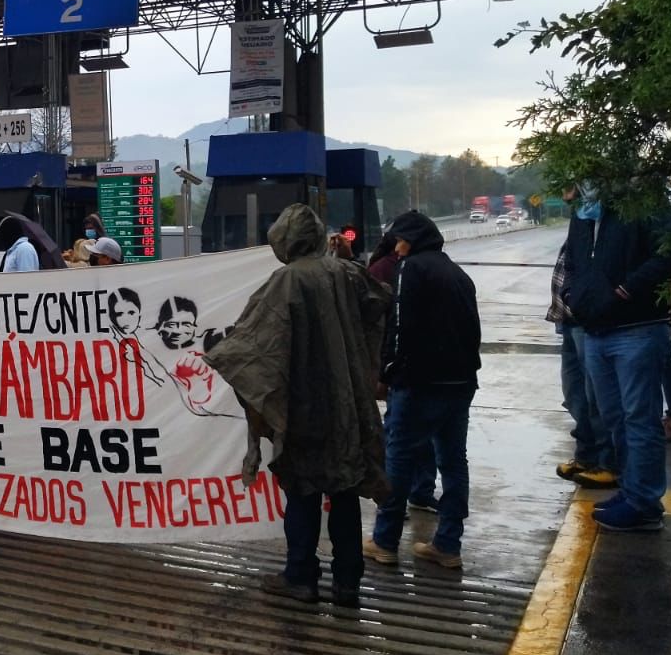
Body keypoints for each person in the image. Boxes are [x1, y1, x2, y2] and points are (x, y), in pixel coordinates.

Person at [203, 204, 390, 608]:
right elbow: (380, 302)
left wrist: (221, 354)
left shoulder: (285, 282)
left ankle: (301, 576)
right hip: (350, 406)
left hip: (306, 407)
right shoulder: (348, 273)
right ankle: (347, 584)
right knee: (345, 492)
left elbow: (250, 344)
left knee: (303, 492)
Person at [562, 184, 671, 533]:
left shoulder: (646, 199)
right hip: (596, 329)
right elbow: (572, 260)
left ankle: (644, 503)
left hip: (638, 328)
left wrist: (625, 289)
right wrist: (573, 294)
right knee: (614, 417)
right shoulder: (585, 211)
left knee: (640, 419)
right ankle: (632, 490)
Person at [365, 211, 481, 571]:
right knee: (453, 461)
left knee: (398, 459)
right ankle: (447, 544)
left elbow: (400, 328)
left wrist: (387, 371)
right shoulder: (458, 274)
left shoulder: (411, 269)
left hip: (419, 383)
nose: (395, 247)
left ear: (409, 240)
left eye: (398, 239)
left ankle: (384, 541)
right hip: (460, 383)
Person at [367, 221, 440, 512]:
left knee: (398, 434)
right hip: (408, 366)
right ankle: (414, 491)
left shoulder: (383, 269)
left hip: (396, 365)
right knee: (412, 434)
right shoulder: (400, 270)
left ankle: (392, 498)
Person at [547, 238, 616, 488]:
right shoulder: (581, 224)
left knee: (595, 396)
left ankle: (608, 462)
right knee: (575, 394)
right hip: (568, 319)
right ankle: (586, 456)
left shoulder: (601, 226)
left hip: (586, 320)